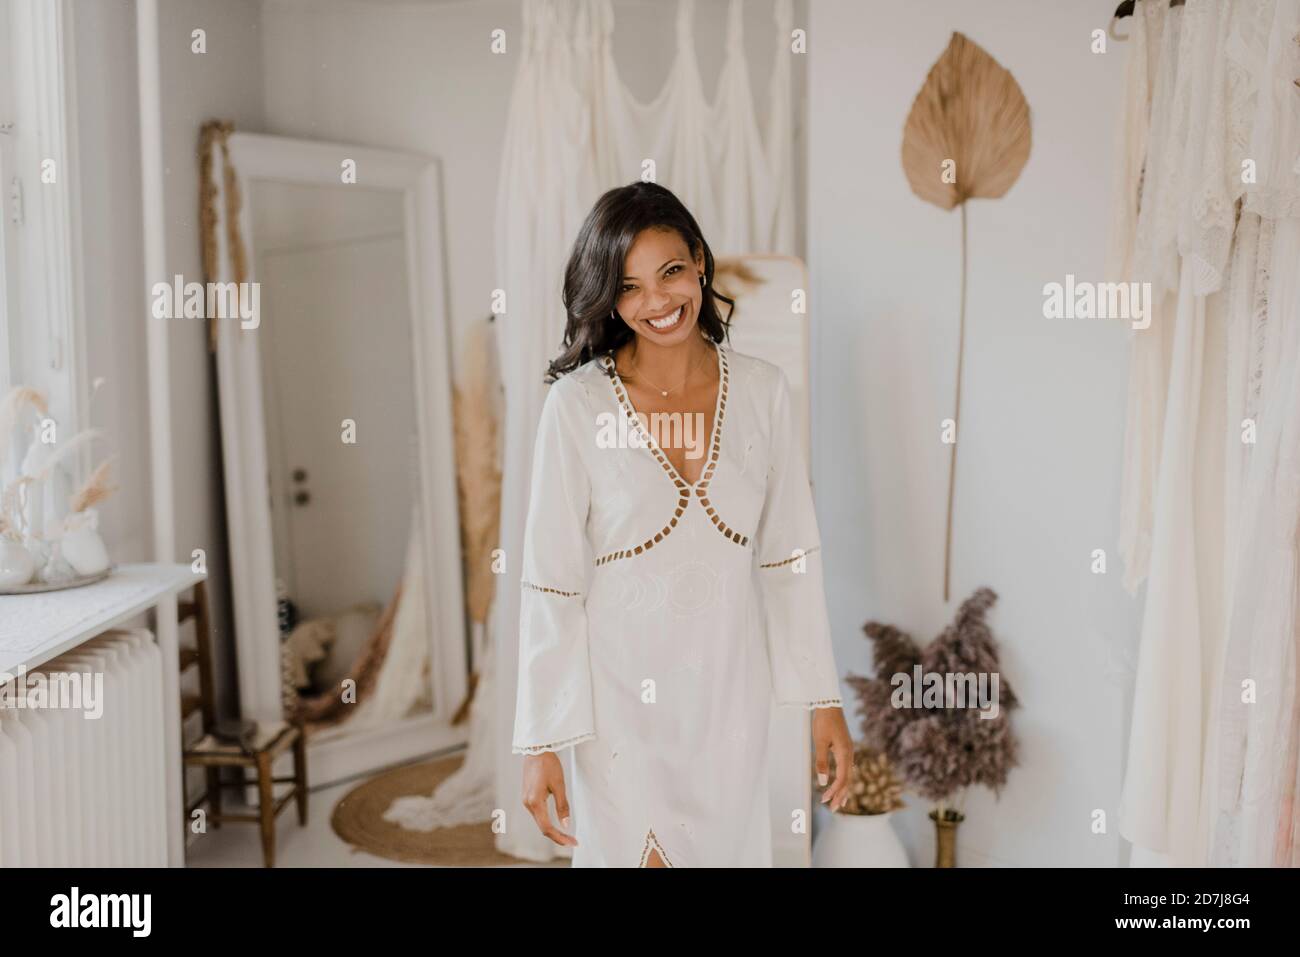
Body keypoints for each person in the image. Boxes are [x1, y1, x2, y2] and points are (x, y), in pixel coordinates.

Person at [512, 181, 851, 867]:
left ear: (699, 261)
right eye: (628, 286)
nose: (656, 302)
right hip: (619, 705)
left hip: (731, 698)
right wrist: (541, 738)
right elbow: (551, 581)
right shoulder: (576, 408)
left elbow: (789, 557)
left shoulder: (762, 392)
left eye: (670, 271)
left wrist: (823, 699)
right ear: (608, 298)